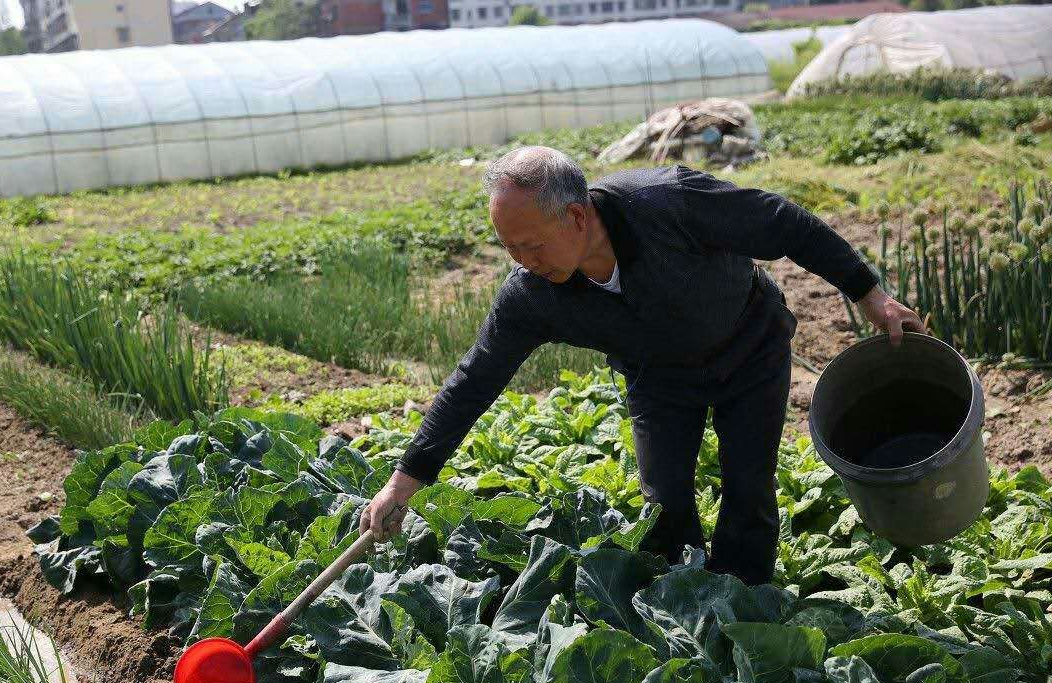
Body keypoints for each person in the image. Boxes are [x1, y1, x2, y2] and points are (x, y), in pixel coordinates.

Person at [360, 146, 925, 585]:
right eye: (511, 250)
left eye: (532, 246)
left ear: (576, 216)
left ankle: (748, 602)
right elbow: (474, 380)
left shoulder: (667, 202)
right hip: (660, 377)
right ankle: (685, 607)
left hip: (750, 345)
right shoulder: (532, 295)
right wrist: (402, 484)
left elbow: (782, 223)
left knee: (748, 484)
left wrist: (869, 294)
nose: (525, 263)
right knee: (664, 500)